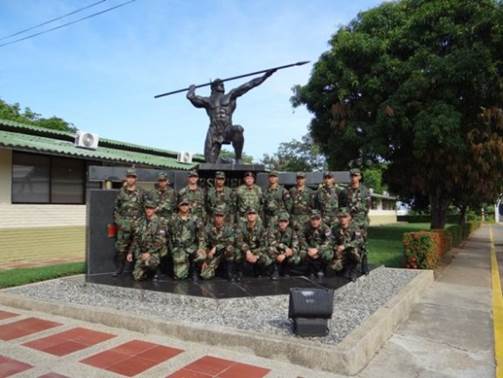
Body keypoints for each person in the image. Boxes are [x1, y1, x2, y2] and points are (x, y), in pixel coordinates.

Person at [186, 70, 276, 163]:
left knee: (238, 129)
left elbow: (250, 84)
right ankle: (223, 161)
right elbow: (191, 97)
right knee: (209, 163)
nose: (222, 85)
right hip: (214, 131)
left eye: (223, 83)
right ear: (213, 87)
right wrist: (192, 88)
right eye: (219, 83)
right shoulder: (207, 101)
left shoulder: (230, 95)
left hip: (227, 129)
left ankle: (238, 158)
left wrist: (265, 76)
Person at [112, 168, 146, 277]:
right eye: (129, 177)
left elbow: (146, 209)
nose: (131, 179)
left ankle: (137, 269)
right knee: (120, 248)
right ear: (126, 178)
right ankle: (119, 268)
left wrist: (142, 224)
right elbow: (116, 210)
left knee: (138, 246)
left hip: (138, 224)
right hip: (124, 225)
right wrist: (120, 223)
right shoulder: (121, 192)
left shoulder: (141, 192)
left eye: (133, 177)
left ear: (136, 179)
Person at [340, 168, 371, 274]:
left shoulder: (365, 190)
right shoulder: (345, 191)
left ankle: (364, 264)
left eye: (356, 176)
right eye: (352, 176)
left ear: (360, 177)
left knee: (363, 242)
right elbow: (342, 207)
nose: (354, 178)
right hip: (349, 222)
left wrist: (361, 218)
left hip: (361, 221)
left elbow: (367, 207)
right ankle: (350, 266)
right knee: (348, 242)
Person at [127, 201, 168, 281]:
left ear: (154, 209)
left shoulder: (161, 222)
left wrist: (149, 253)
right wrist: (130, 252)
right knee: (137, 276)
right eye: (147, 208)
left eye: (151, 208)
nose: (149, 210)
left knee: (151, 263)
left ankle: (156, 270)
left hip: (155, 251)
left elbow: (160, 241)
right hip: (142, 251)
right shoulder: (141, 221)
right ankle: (146, 271)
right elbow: (136, 238)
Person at [168, 197, 206, 281]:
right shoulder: (173, 219)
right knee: (179, 276)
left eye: (186, 205)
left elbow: (201, 235)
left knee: (202, 256)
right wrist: (172, 249)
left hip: (191, 247)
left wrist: (201, 248)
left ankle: (194, 269)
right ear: (178, 206)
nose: (184, 207)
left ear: (189, 206)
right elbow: (169, 235)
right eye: (182, 205)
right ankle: (184, 267)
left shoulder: (195, 219)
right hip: (179, 248)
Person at [201, 206, 237, 281]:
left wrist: (216, 247)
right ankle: (216, 269)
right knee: (205, 276)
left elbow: (232, 240)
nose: (219, 218)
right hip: (213, 255)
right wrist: (205, 259)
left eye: (221, 216)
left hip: (224, 252)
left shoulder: (229, 227)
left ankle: (229, 272)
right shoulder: (208, 228)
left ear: (224, 217)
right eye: (217, 216)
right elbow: (204, 242)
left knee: (230, 248)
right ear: (214, 217)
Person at [330, 208, 365, 281]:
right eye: (340, 217)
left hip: (352, 251)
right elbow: (331, 241)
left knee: (354, 252)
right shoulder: (335, 228)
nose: (342, 219)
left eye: (345, 217)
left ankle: (353, 270)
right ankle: (345, 267)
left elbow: (359, 240)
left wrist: (345, 246)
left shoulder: (355, 227)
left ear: (349, 217)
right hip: (341, 252)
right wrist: (336, 248)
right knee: (333, 269)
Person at [237, 207, 273, 278]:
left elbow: (264, 245)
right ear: (246, 216)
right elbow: (239, 241)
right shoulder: (241, 226)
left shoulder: (261, 228)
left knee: (267, 256)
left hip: (256, 251)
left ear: (256, 216)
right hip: (245, 251)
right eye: (249, 214)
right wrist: (247, 251)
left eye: (253, 214)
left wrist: (256, 256)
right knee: (235, 252)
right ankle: (238, 271)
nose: (251, 215)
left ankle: (262, 271)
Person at [266, 212, 301, 280]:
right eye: (281, 221)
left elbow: (296, 247)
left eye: (285, 221)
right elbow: (271, 242)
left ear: (288, 223)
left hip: (287, 254)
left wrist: (285, 255)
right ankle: (275, 271)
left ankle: (287, 272)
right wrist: (284, 248)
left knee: (296, 258)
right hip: (277, 253)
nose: (283, 223)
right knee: (270, 249)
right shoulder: (272, 230)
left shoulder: (292, 232)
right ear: (278, 222)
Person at [300, 210, 333, 281]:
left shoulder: (325, 228)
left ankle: (322, 269)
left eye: (317, 219)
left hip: (320, 249)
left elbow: (329, 241)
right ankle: (310, 270)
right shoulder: (305, 226)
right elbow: (301, 239)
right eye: (313, 219)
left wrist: (318, 250)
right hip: (310, 249)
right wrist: (308, 248)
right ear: (310, 219)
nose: (315, 221)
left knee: (328, 254)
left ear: (320, 219)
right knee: (301, 253)